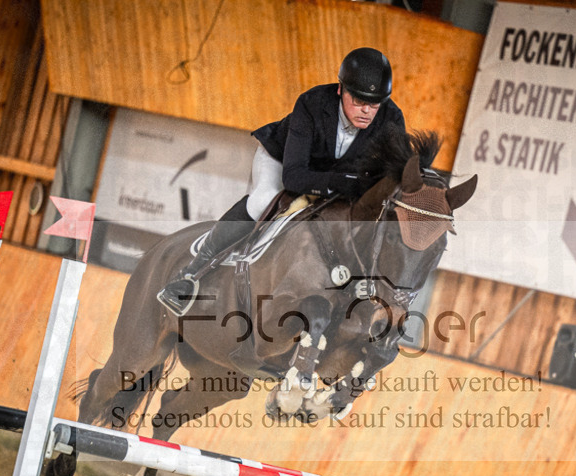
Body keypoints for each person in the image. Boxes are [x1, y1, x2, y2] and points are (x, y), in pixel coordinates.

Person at [158, 47, 406, 314]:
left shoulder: (391, 119)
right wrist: (349, 183)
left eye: (375, 104)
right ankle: (189, 275)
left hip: (336, 177)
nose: (367, 111)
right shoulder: (312, 103)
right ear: (340, 90)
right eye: (358, 101)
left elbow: (392, 179)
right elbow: (294, 177)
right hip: (282, 161)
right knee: (262, 200)